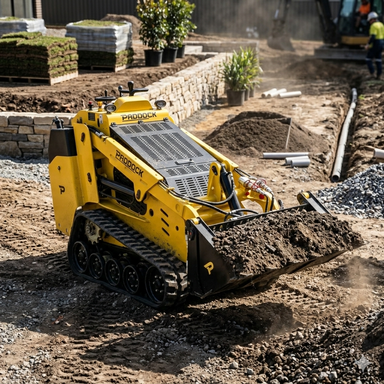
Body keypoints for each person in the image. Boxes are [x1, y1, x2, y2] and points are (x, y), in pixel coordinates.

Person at [365, 12, 384, 79]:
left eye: (370, 20)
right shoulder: (381, 24)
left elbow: (373, 36)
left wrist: (368, 44)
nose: (369, 22)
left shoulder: (373, 25)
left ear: (373, 19)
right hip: (382, 43)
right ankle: (379, 75)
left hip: (376, 43)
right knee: (378, 60)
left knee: (368, 59)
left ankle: (372, 73)